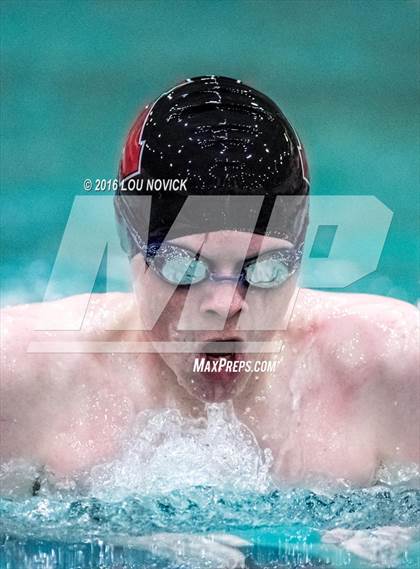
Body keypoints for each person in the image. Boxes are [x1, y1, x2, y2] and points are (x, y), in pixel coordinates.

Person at [1, 76, 418, 494]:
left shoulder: (391, 368)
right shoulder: (23, 381)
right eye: (184, 268)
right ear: (130, 246)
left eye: (265, 269)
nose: (224, 304)